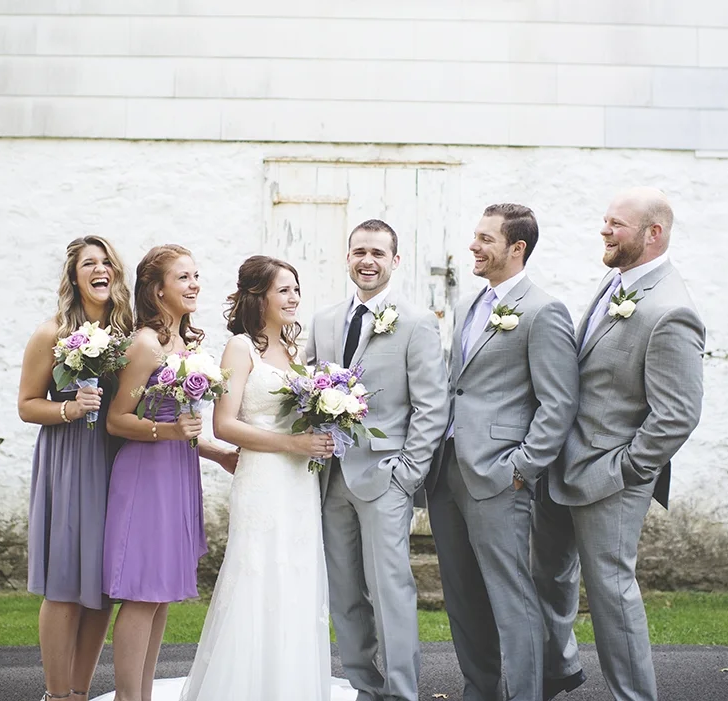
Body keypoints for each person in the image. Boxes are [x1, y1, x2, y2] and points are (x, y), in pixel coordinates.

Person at [533, 187, 705, 701]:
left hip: (609, 477)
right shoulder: (618, 281)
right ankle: (558, 670)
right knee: (549, 575)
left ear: (653, 233)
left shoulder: (671, 310)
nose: (604, 230)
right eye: (605, 220)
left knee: (611, 592)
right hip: (564, 461)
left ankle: (634, 696)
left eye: (617, 224)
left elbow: (677, 415)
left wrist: (626, 470)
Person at [177, 254, 357, 700]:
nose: (293, 298)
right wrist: (294, 444)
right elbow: (224, 425)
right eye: (283, 290)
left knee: (296, 577)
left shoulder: (296, 351)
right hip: (262, 480)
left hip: (299, 483)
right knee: (260, 576)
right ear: (259, 297)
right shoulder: (241, 348)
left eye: (296, 289)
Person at [427, 204, 579, 701]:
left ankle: (525, 694)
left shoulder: (543, 310)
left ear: (517, 248)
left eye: (485, 239)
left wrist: (521, 468)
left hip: (498, 475)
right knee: (462, 597)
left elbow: (559, 403)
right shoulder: (471, 304)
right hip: (447, 471)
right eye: (475, 235)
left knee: (511, 596)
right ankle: (481, 690)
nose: (473, 245)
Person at [306, 219, 449, 701]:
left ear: (395, 260)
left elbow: (432, 405)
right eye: (359, 252)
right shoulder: (325, 320)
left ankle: (402, 692)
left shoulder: (415, 321)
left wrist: (407, 474)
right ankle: (365, 688)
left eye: (378, 253)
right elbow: (307, 390)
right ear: (348, 257)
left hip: (385, 477)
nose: (367, 261)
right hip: (331, 477)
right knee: (345, 593)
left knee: (390, 590)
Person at [101, 245, 237, 701]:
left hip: (178, 472)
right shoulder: (146, 344)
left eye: (196, 275)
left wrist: (216, 453)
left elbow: (185, 428)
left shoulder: (186, 344)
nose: (194, 284)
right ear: (157, 289)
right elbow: (117, 420)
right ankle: (127, 697)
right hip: (146, 476)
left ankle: (142, 695)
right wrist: (169, 431)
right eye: (183, 277)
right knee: (142, 592)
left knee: (160, 596)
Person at [18, 235, 133, 701]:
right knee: (65, 583)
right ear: (74, 276)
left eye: (106, 262)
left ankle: (80, 693)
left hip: (115, 459)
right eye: (89, 263)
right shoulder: (51, 334)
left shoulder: (128, 333)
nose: (99, 269)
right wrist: (69, 408)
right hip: (68, 459)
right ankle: (56, 695)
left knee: (101, 586)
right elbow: (27, 405)